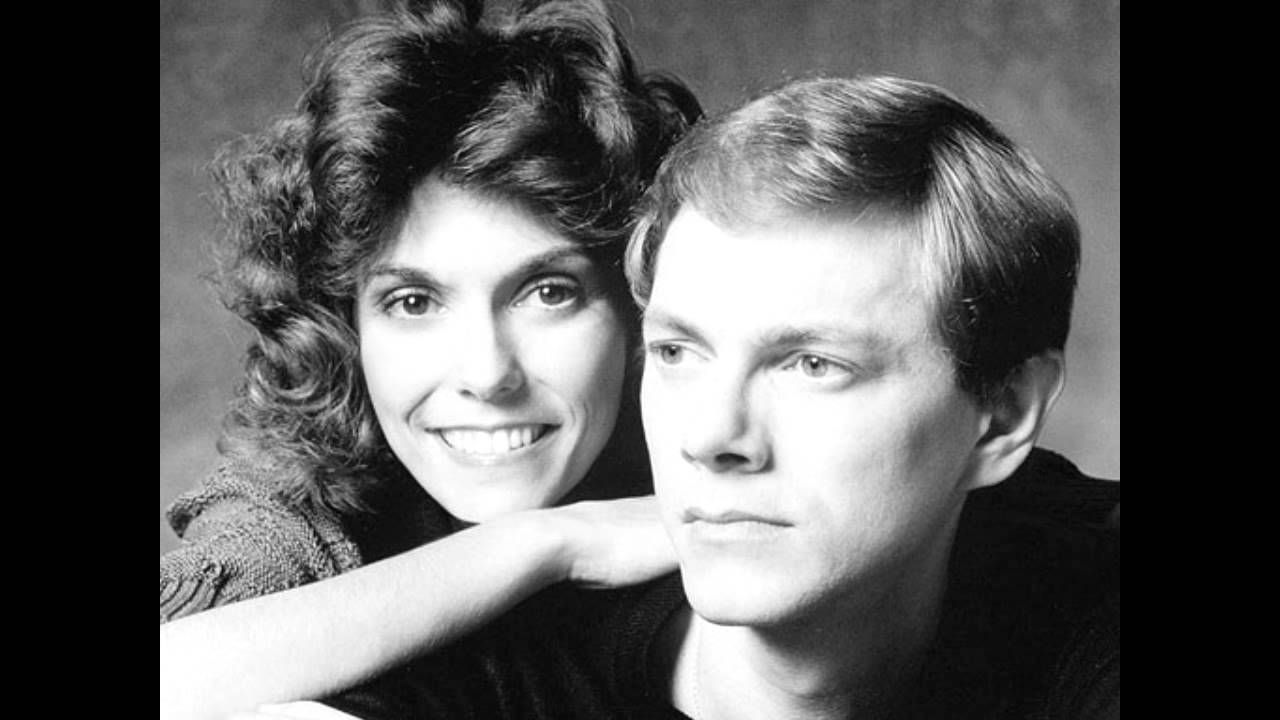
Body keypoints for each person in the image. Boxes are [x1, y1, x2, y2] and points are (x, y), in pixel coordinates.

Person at [294, 74, 1118, 720]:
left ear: (1002, 419)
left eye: (812, 365)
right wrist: (549, 543)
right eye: (678, 352)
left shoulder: (1078, 591)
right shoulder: (500, 669)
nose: (713, 437)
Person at [158, 1, 701, 718]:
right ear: (345, 325)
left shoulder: (708, 463)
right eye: (414, 302)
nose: (487, 374)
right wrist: (547, 544)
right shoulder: (293, 513)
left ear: (637, 308)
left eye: (548, 292)